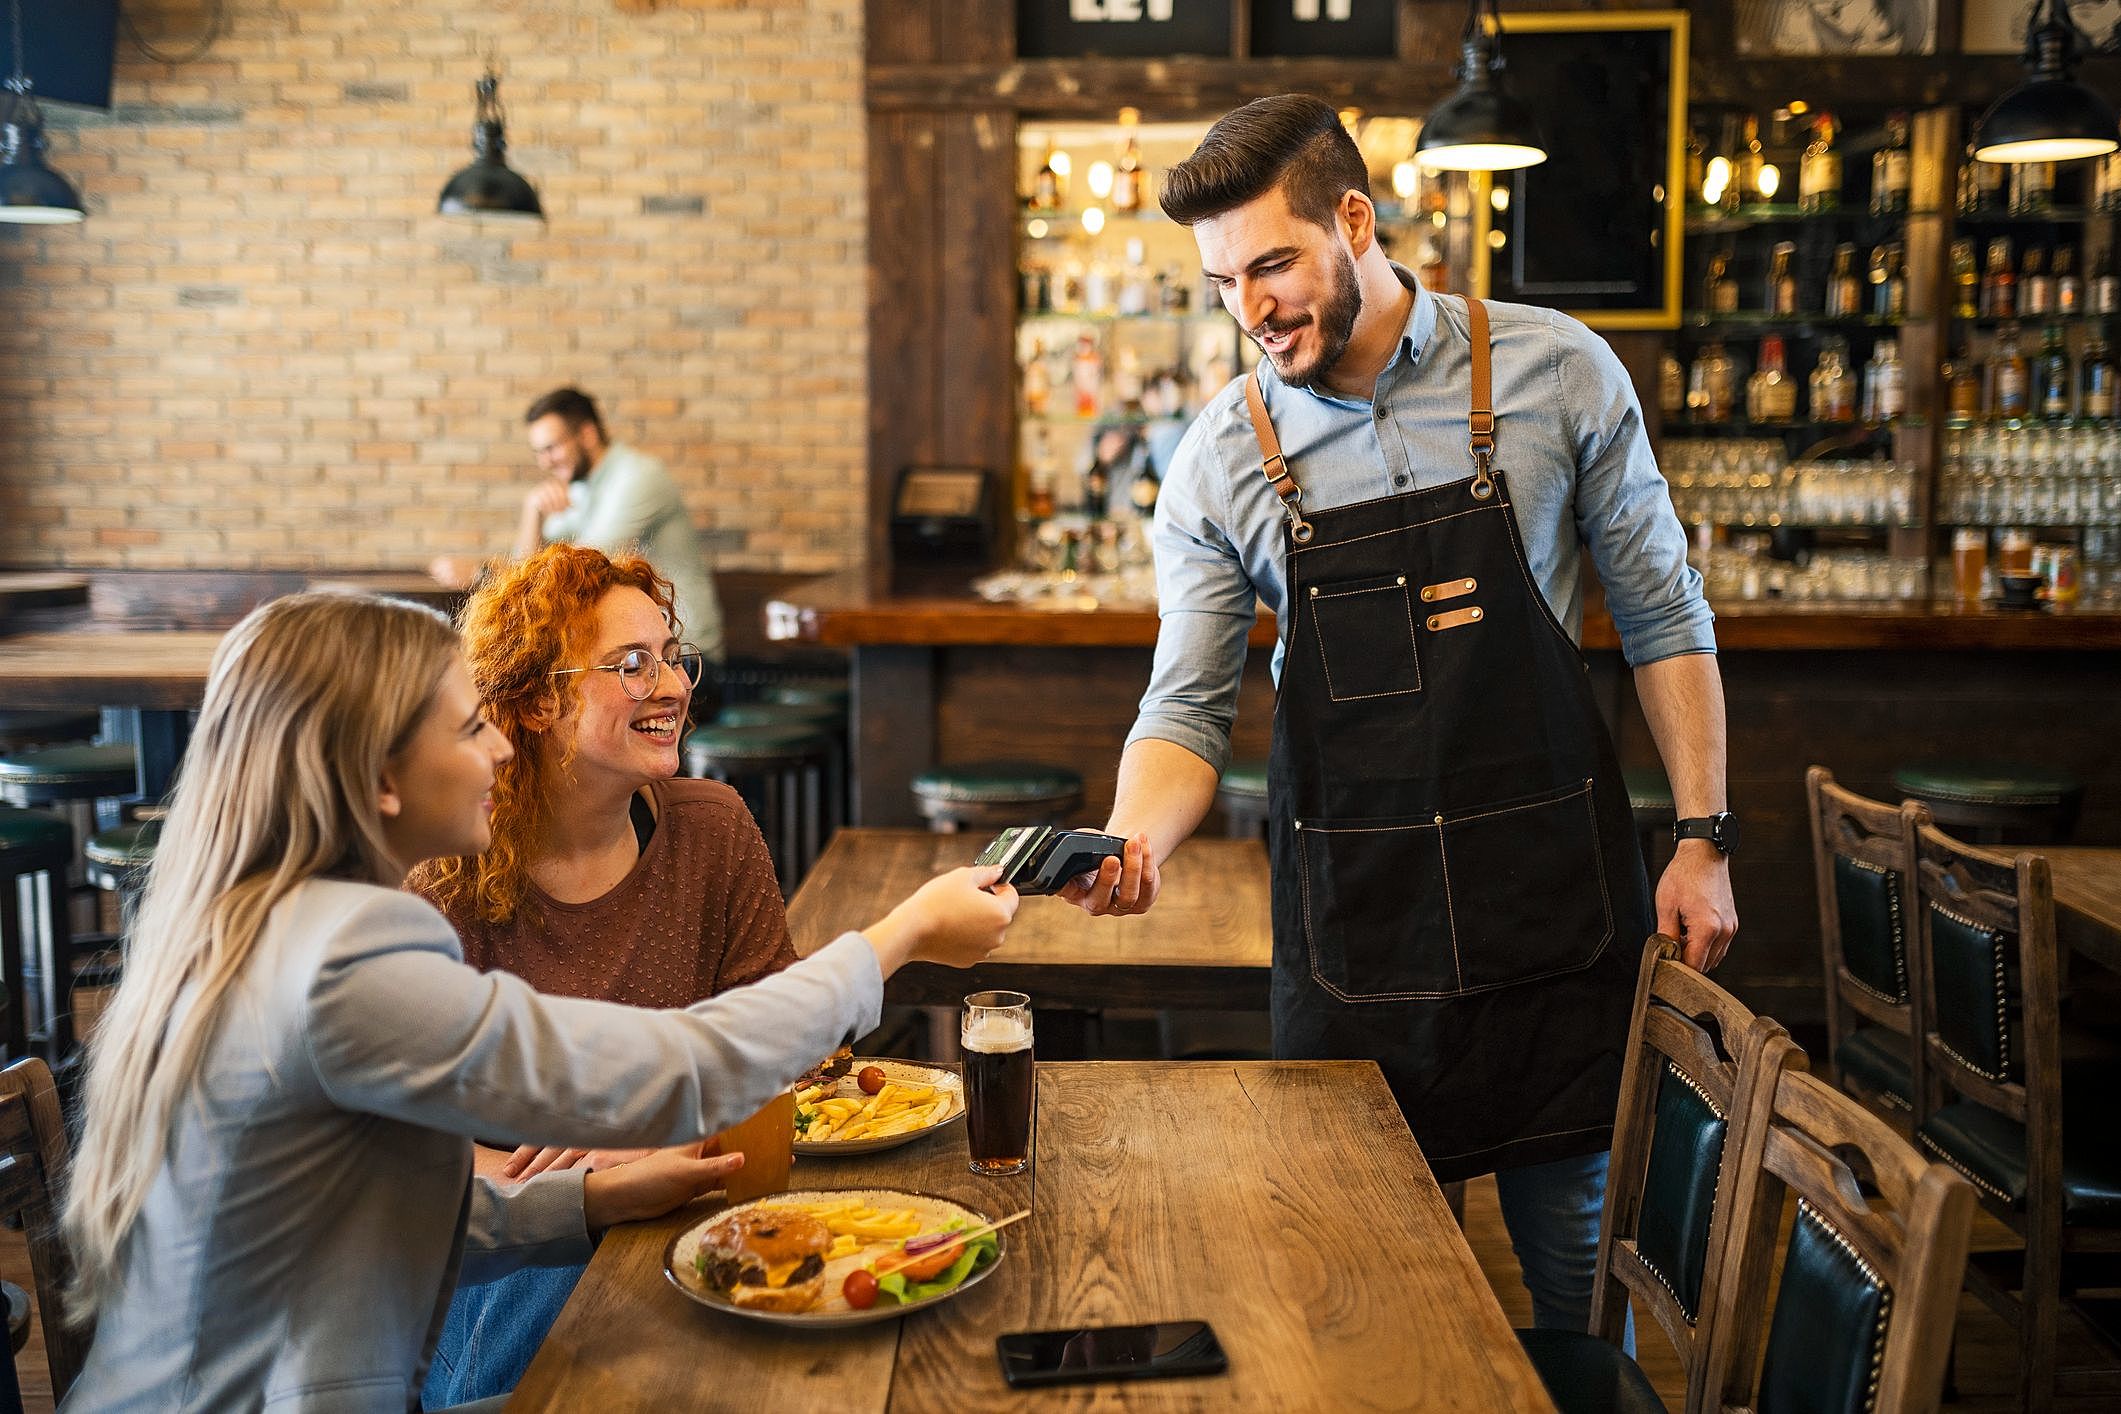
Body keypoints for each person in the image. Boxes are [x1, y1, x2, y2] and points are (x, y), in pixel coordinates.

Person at [1061, 95, 1736, 1336]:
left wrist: (1703, 837)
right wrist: (1132, 835)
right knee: (1367, 1307)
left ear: (1356, 222)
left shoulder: (1556, 370)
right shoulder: (1219, 460)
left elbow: (1664, 614)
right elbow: (1187, 708)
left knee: (1579, 1282)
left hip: (1550, 919)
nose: (1251, 309)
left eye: (1271, 265)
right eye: (1222, 284)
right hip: (1359, 938)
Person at [59, 591, 1016, 1411]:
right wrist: (902, 936)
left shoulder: (261, 923)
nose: (499, 749)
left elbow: (373, 1214)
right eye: (468, 726)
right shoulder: (347, 953)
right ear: (382, 779)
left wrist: (591, 1199)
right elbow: (681, 1066)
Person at [410, 544, 796, 1405]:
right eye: (632, 665)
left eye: (671, 657)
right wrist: (587, 1190)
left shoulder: (712, 827)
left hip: (684, 1216)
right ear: (536, 701)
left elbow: (785, 1056)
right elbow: (399, 1158)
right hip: (494, 1260)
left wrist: (658, 1145)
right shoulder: (442, 868)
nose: (672, 686)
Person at [429, 387, 725, 664]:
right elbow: (529, 571)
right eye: (538, 452)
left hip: (683, 652)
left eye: (551, 448)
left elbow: (579, 566)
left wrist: (481, 574)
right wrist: (533, 511)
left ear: (587, 435)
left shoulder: (639, 476)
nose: (545, 463)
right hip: (634, 651)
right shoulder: (580, 487)